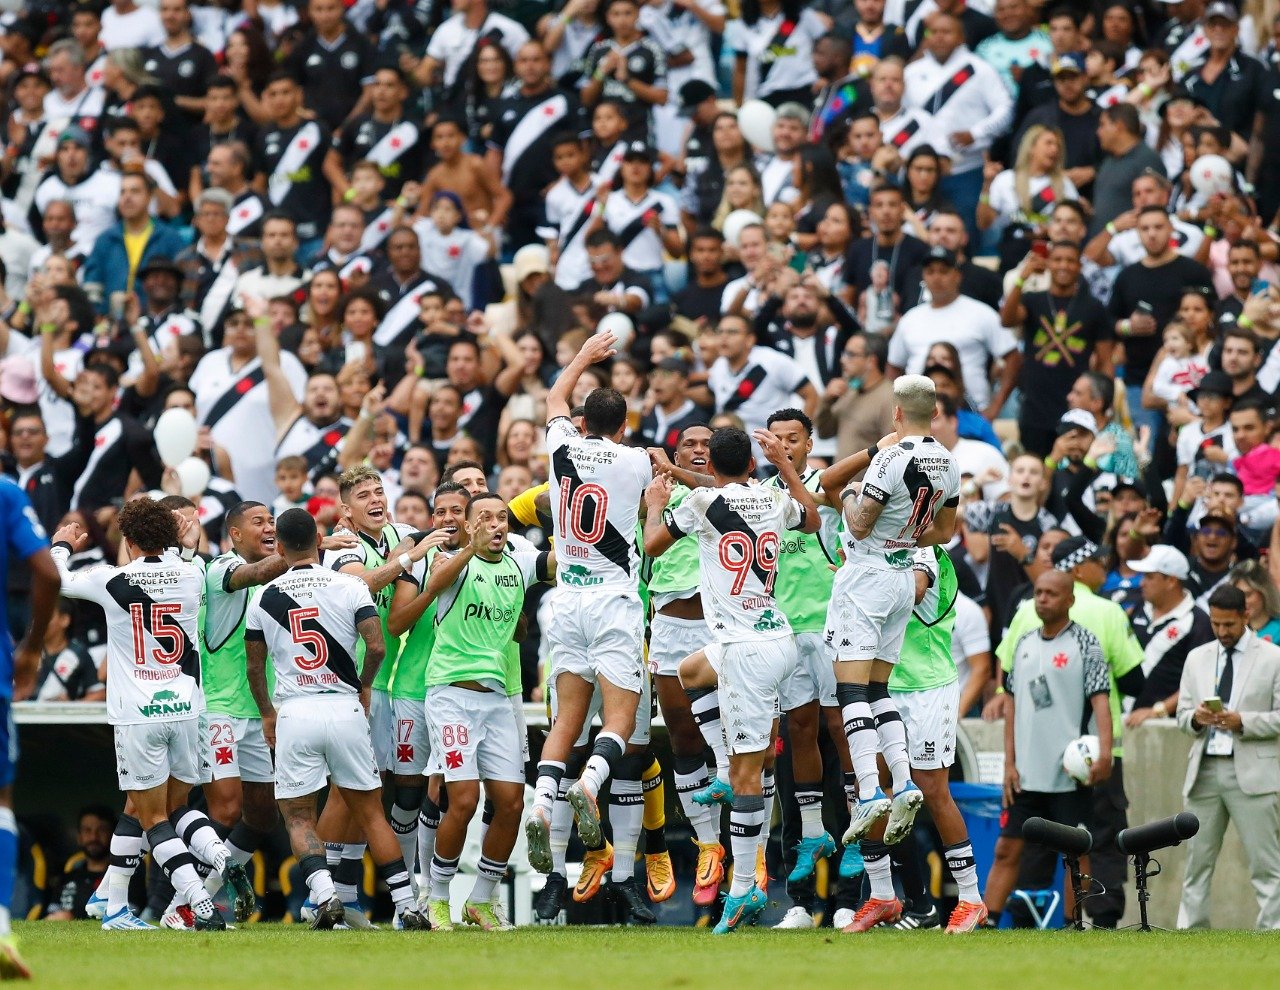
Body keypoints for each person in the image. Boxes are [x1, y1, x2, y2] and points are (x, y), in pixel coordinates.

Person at [643, 424, 819, 933]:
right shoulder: (770, 497)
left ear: (712, 466)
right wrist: (783, 466)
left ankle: (743, 888)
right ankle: (728, 764)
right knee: (689, 671)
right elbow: (810, 519)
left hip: (745, 652)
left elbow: (654, 545)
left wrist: (657, 501)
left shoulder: (700, 507)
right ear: (750, 463)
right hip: (772, 635)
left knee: (749, 776)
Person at [50, 497, 252, 932]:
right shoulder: (191, 575)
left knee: (152, 817)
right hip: (186, 709)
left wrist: (62, 545)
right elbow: (183, 558)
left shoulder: (111, 579)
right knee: (178, 807)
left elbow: (57, 579)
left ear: (128, 539)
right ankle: (219, 857)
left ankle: (196, 899)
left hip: (138, 713)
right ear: (170, 535)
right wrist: (184, 540)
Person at [244, 507, 427, 930]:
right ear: (318, 538)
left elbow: (255, 667)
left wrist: (267, 713)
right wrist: (363, 685)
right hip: (345, 706)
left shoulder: (264, 596)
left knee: (299, 816)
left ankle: (324, 895)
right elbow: (377, 646)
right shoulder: (348, 585)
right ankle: (406, 904)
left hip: (295, 711)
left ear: (282, 547)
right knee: (371, 813)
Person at [829, 375, 960, 929]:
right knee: (878, 688)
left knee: (851, 690)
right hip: (905, 573)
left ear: (897, 413)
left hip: (867, 576)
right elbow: (946, 531)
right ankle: (901, 781)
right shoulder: (949, 461)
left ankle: (871, 790)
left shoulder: (890, 458)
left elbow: (857, 521)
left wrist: (851, 496)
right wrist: (905, 533)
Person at [526, 333, 651, 887]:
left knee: (567, 719)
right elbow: (652, 518)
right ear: (624, 427)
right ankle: (589, 785)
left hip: (566, 600)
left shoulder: (561, 449)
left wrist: (582, 356)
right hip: (613, 599)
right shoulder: (635, 461)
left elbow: (555, 397)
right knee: (619, 717)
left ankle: (542, 802)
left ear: (582, 424)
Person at [417, 492, 555, 931]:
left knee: (512, 803)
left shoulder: (518, 564)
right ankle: (437, 897)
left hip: (497, 699)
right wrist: (469, 549)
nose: (497, 525)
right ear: (470, 525)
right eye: (486, 519)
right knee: (463, 799)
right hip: (451, 696)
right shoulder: (452, 561)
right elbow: (436, 583)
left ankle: (480, 899)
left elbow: (561, 563)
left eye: (502, 518)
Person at [981, 569, 1113, 925]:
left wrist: (1104, 754)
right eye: (1038, 592)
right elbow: (1011, 705)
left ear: (1069, 599)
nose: (1042, 599)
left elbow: (1101, 701)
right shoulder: (1022, 643)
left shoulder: (1086, 642)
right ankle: (988, 921)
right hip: (1026, 773)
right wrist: (1010, 763)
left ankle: (1074, 922)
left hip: (1070, 772)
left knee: (1075, 851)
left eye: (1051, 593)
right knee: (1006, 848)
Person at [887, 546, 988, 933]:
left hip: (928, 687)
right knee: (873, 789)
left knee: (932, 789)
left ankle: (971, 898)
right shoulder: (875, 544)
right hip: (886, 683)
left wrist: (859, 577)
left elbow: (910, 591)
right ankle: (890, 896)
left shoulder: (926, 551)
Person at [1176, 583, 1280, 930]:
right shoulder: (1197, 657)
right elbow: (1182, 714)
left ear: (1246, 616)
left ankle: (1273, 931)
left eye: (1229, 625)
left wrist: (1242, 722)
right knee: (1196, 862)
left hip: (1253, 772)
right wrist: (1195, 718)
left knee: (1266, 863)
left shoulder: (1273, 657)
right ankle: (1191, 931)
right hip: (1204, 769)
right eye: (1216, 625)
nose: (1222, 632)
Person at [0, 476, 58, 974]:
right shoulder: (4, 491)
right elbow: (49, 572)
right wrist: (33, 646)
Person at [1002, 239, 1114, 456]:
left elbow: (1105, 360)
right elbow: (1007, 320)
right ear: (1048, 263)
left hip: (1077, 406)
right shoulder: (1032, 300)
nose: (1064, 265)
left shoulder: (1094, 308)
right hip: (1035, 406)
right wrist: (1020, 280)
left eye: (1071, 261)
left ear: (1080, 266)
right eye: (1058, 260)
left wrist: (1105, 408)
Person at [887, 246, 1021, 420]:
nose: (936, 277)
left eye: (943, 271)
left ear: (957, 276)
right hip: (919, 415)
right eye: (930, 271)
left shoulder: (981, 313)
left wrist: (995, 406)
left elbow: (1013, 358)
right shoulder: (910, 319)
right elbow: (893, 366)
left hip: (972, 412)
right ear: (923, 277)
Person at [1126, 545, 1214, 727]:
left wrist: (1159, 710)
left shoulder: (1198, 623)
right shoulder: (1139, 608)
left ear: (1171, 581)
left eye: (1149, 577)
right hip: (1125, 719)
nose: (1142, 583)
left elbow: (1200, 679)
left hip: (1166, 727)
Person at [816, 332, 894, 461]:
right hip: (842, 481)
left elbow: (892, 451)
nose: (842, 360)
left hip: (868, 481)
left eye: (850, 355)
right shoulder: (849, 391)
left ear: (871, 360)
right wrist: (826, 401)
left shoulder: (890, 397)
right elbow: (824, 433)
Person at [44, 807, 115, 921]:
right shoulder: (67, 877)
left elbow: (132, 912)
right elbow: (52, 914)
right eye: (87, 830)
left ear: (113, 835)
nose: (94, 837)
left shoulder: (124, 876)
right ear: (79, 837)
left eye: (101, 830)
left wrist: (72, 917)